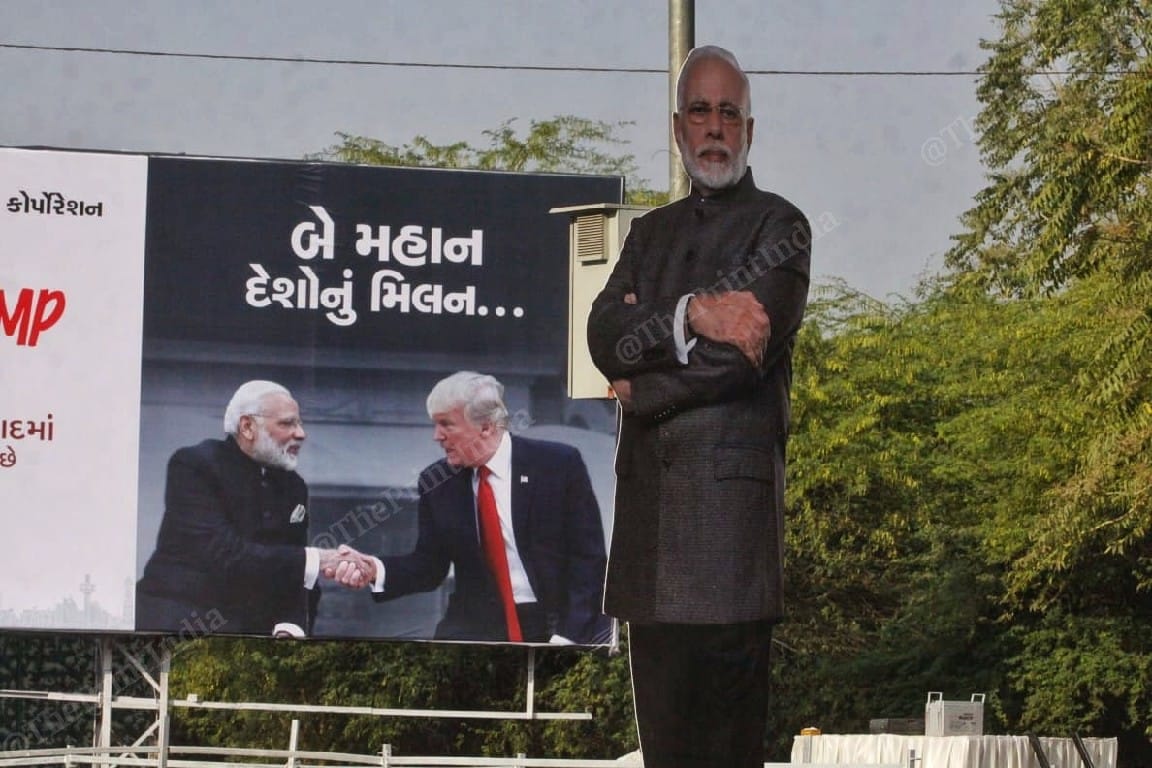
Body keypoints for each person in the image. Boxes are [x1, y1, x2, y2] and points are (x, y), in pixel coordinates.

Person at [585, 45, 811, 768]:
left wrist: (642, 383)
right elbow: (602, 334)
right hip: (651, 539)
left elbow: (739, 364)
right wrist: (692, 313)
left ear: (749, 128)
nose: (714, 127)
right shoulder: (649, 233)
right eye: (699, 111)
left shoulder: (782, 228)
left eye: (729, 113)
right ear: (677, 127)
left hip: (729, 546)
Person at [333, 371, 611, 644]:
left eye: (446, 424)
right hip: (475, 625)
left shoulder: (557, 465)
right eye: (435, 424)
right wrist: (374, 570)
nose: (436, 436)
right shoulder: (437, 483)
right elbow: (429, 566)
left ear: (487, 427)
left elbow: (589, 559)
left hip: (557, 620)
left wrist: (569, 636)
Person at [136, 380, 350, 637]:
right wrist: (316, 558)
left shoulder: (294, 486)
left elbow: (294, 575)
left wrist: (290, 627)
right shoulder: (195, 466)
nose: (301, 433)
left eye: (299, 423)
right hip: (177, 631)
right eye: (287, 423)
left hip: (252, 639)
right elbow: (223, 553)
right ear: (247, 427)